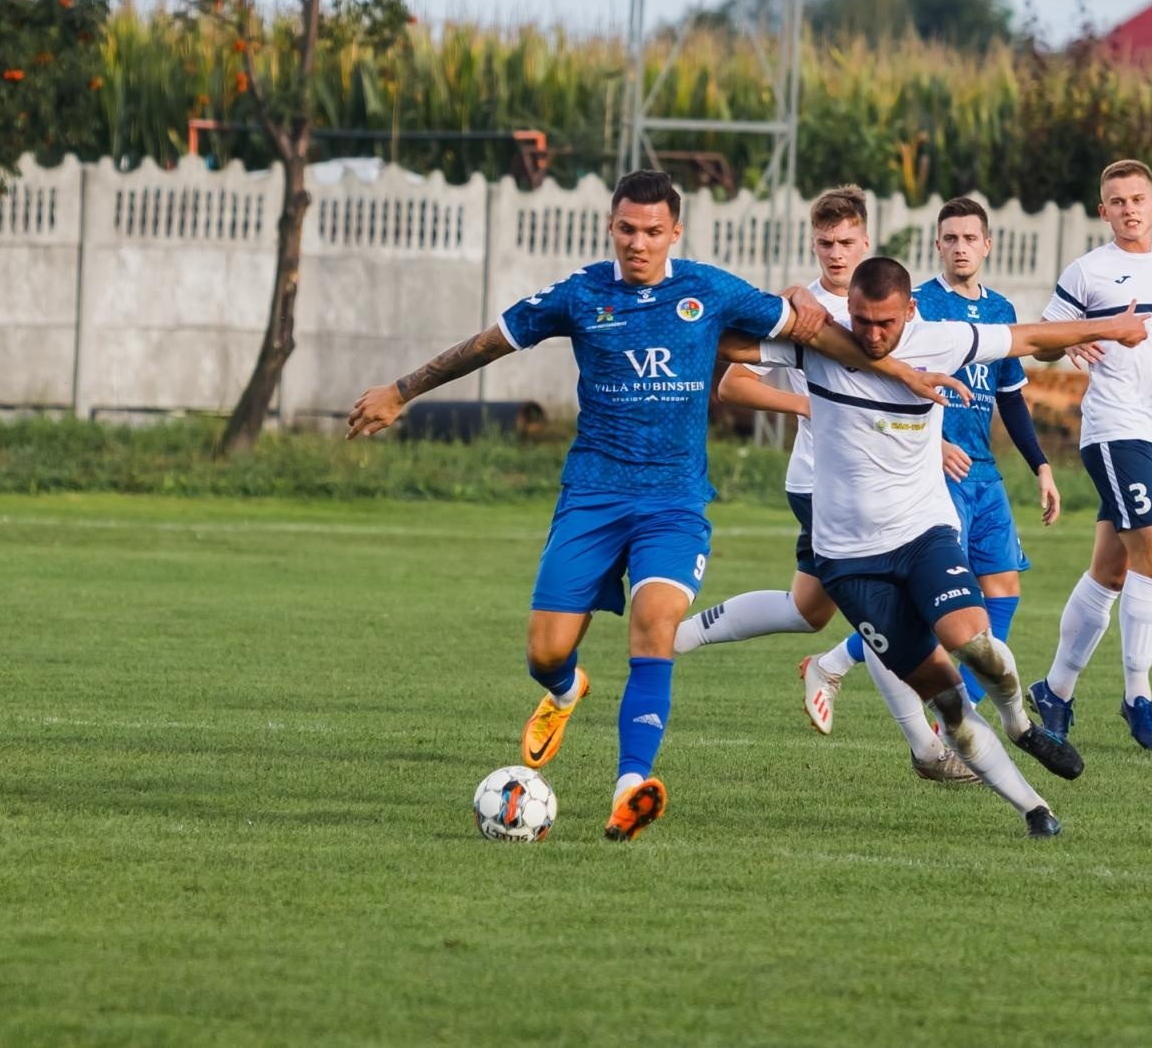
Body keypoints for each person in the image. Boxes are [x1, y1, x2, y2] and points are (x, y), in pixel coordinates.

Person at [345, 170, 962, 842]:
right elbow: (493, 340)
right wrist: (403, 389)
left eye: (652, 231)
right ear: (612, 228)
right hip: (593, 495)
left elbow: (817, 335)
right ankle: (563, 689)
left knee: (654, 627)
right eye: (627, 230)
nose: (638, 243)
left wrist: (898, 369)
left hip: (674, 502)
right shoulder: (582, 294)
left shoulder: (709, 290)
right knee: (544, 650)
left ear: (675, 232)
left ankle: (629, 789)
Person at [720, 256, 1151, 837]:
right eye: (864, 321)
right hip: (848, 563)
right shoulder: (818, 340)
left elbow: (1029, 336)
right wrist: (788, 302)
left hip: (923, 533)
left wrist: (1110, 327)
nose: (873, 335)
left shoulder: (942, 339)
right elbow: (727, 345)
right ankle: (1035, 810)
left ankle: (1022, 726)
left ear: (911, 312)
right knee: (947, 702)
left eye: (886, 324)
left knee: (973, 643)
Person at [671, 187, 973, 783]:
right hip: (821, 483)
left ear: (867, 241)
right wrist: (812, 407)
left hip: (878, 487)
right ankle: (925, 748)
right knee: (889, 613)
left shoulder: (885, 306)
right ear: (814, 245)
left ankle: (677, 635)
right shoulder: (802, 312)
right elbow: (731, 387)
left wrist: (924, 438)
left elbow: (900, 392)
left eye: (847, 243)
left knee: (808, 610)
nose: (836, 254)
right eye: (825, 244)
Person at [805, 197, 1059, 748]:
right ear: (937, 245)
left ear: (988, 245)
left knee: (1002, 586)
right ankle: (874, 677)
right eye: (951, 238)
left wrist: (1040, 465)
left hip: (985, 473)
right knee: (935, 604)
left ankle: (978, 704)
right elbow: (886, 388)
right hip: (932, 475)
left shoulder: (999, 309)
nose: (961, 247)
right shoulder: (917, 309)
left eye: (971, 238)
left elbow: (1011, 399)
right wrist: (937, 442)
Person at [1026, 159, 1152, 753]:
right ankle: (1139, 697)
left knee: (1112, 569)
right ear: (1103, 208)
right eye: (1117, 200)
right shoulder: (1089, 272)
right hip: (1114, 431)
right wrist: (1081, 341)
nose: (1129, 208)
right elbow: (1044, 339)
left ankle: (1055, 690)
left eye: (1138, 198)